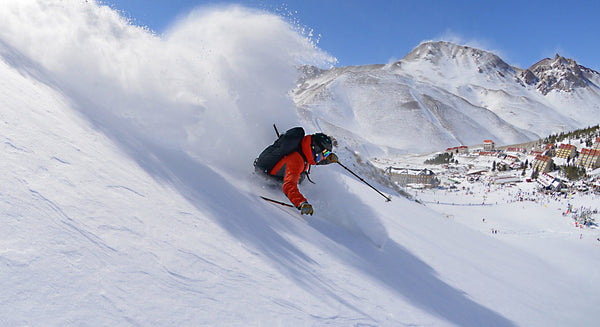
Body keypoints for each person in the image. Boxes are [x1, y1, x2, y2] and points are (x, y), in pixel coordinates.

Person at [256, 131, 338, 215]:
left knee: (301, 176)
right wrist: (301, 203)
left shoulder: (305, 150)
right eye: (325, 154)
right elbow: (289, 185)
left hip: (283, 176)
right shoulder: (296, 160)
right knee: (300, 177)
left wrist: (328, 160)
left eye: (327, 154)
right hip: (272, 184)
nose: (325, 157)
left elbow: (314, 160)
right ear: (316, 148)